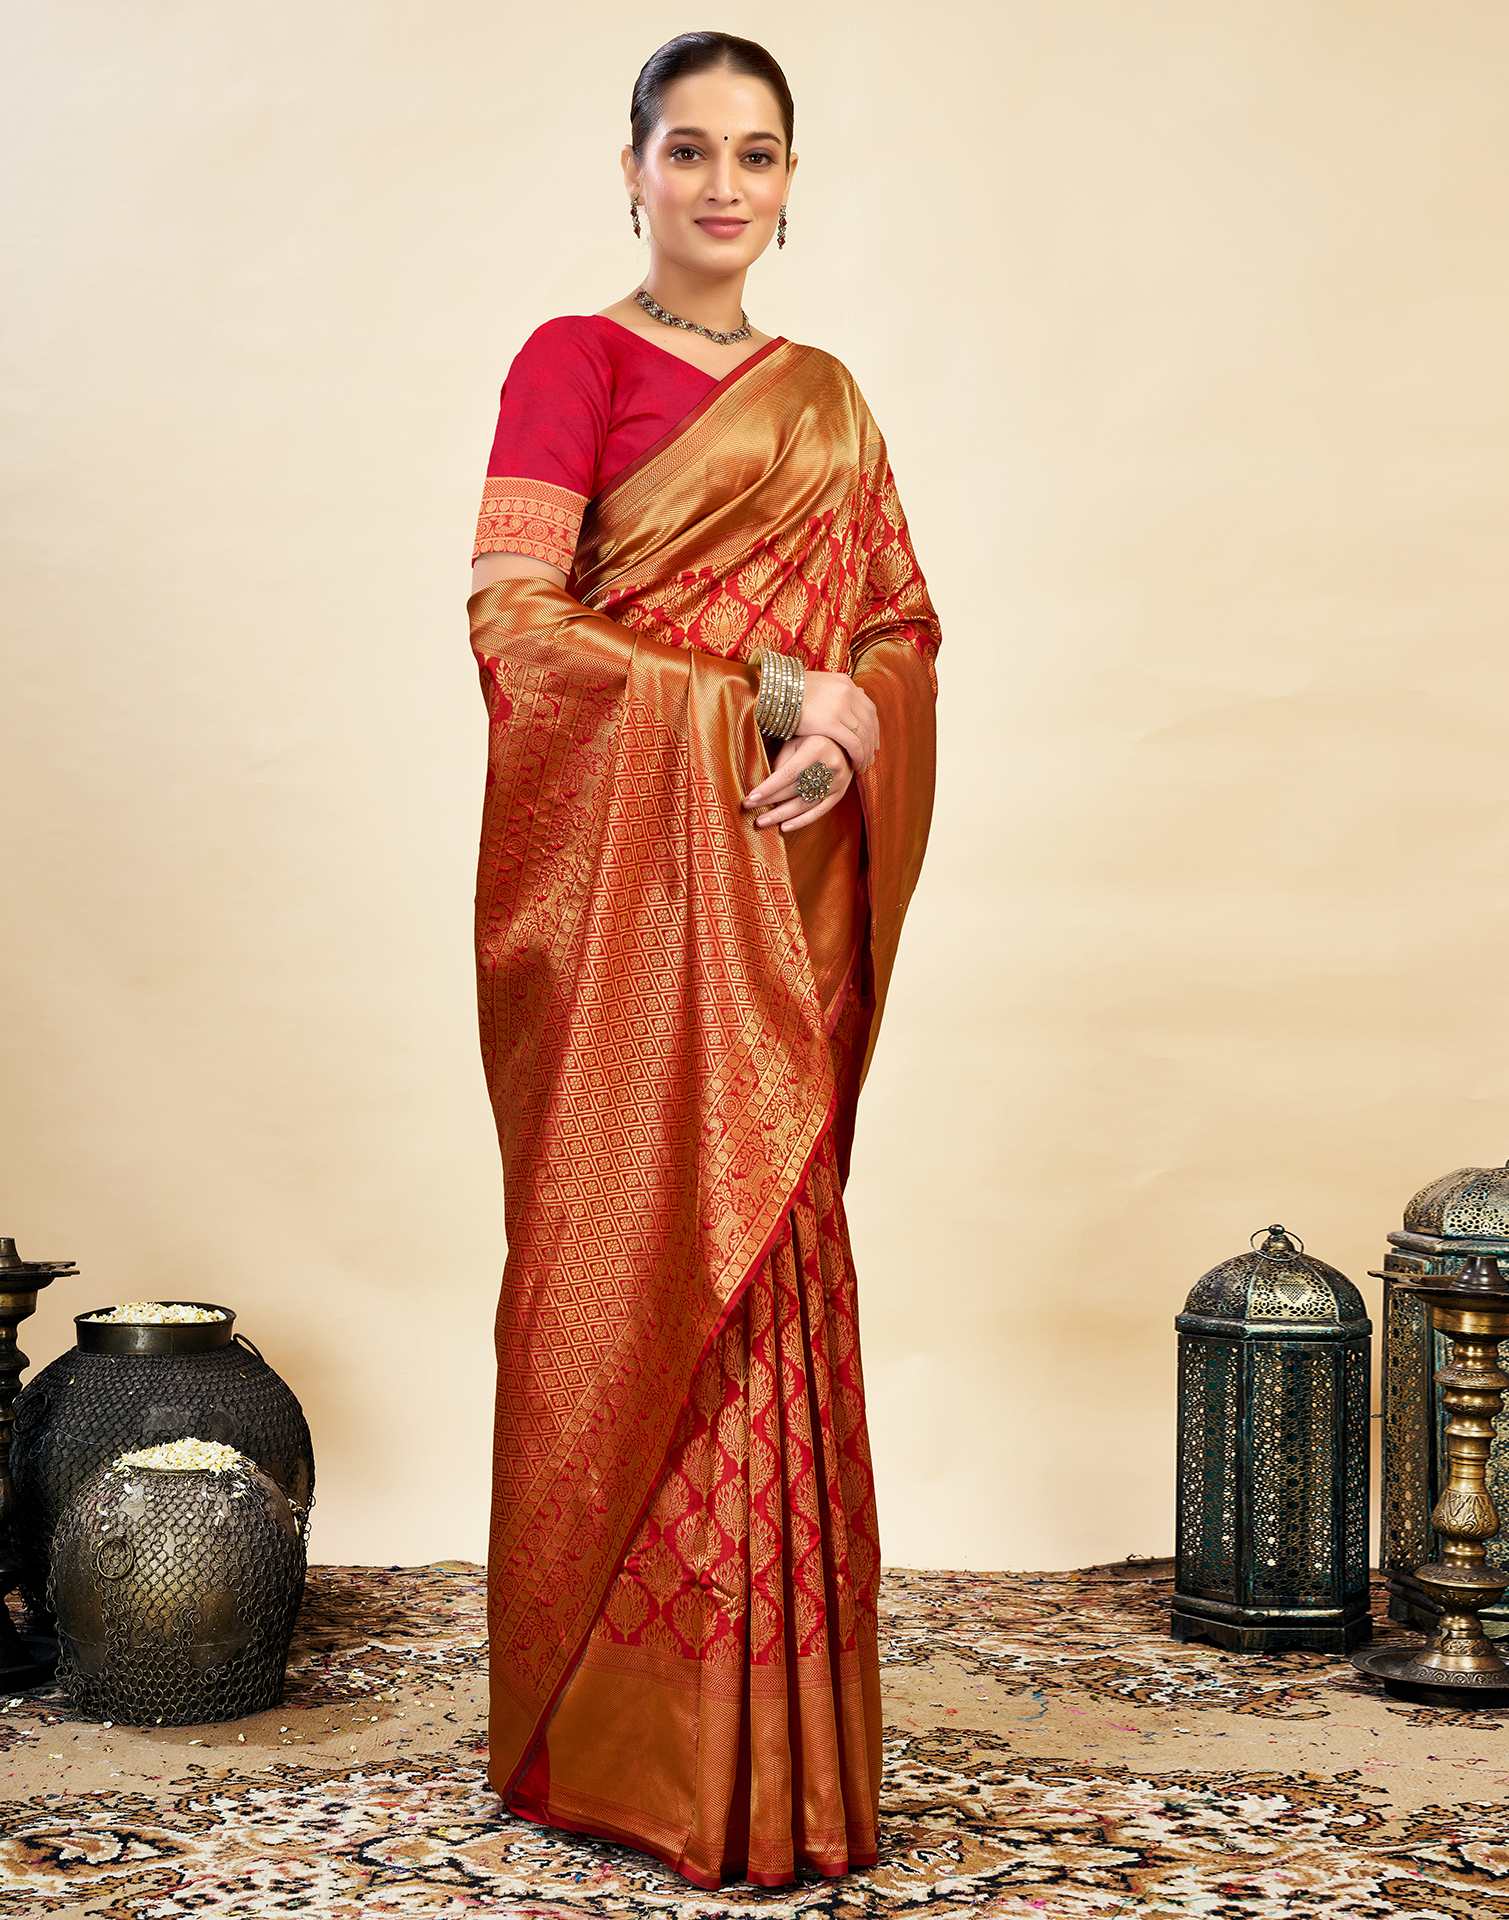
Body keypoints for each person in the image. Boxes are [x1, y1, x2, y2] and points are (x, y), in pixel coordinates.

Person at [467, 29, 942, 1892]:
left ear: (791, 183)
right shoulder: (568, 363)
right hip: (627, 913)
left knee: (772, 1260)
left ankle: (782, 1759)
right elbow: (517, 621)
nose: (723, 186)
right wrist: (752, 693)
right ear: (632, 171)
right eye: (689, 151)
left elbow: (892, 621)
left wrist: (849, 727)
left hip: (774, 897)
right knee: (622, 1255)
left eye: (756, 154)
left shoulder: (824, 399)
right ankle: (608, 1733)